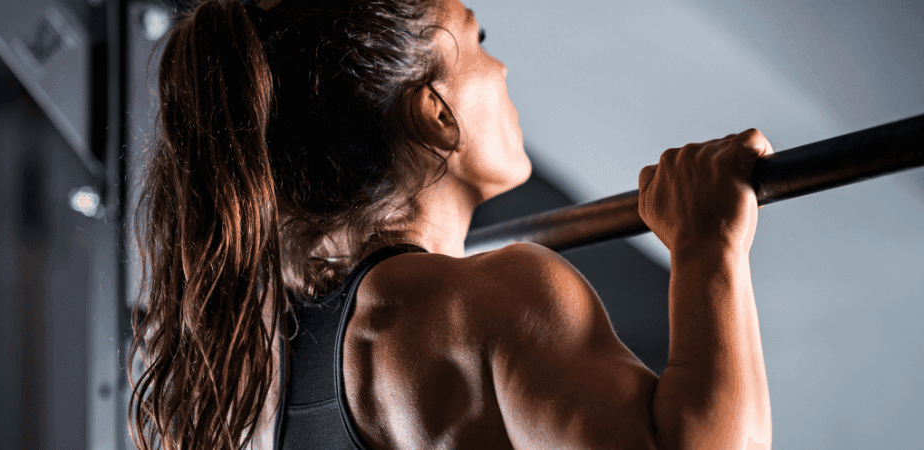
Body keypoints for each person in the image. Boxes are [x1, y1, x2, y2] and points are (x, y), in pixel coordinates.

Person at [128, 0, 773, 448]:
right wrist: (707, 241)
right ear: (436, 114)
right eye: (480, 40)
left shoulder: (255, 368)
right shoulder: (499, 299)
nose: (502, 68)